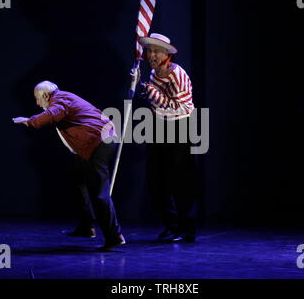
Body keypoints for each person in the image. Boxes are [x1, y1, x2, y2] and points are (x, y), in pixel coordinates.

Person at [13, 81, 125, 250]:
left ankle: (114, 236)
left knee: (99, 193)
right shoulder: (63, 98)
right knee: (76, 178)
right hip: (93, 144)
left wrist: (30, 121)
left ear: (45, 96)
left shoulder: (60, 100)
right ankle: (87, 227)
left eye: (37, 99)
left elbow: (52, 114)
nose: (37, 103)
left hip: (100, 142)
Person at [132, 33, 198, 243]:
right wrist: (140, 85)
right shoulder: (153, 73)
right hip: (160, 125)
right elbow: (156, 102)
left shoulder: (177, 74)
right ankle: (171, 225)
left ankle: (186, 229)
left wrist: (149, 90)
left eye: (156, 51)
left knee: (180, 179)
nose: (151, 54)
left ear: (167, 53)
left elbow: (178, 106)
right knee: (156, 180)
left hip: (180, 126)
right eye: (149, 50)